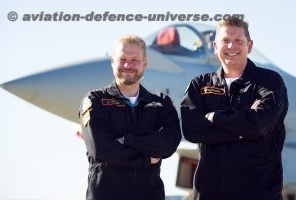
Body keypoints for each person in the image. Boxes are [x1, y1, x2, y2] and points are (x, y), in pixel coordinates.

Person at [180, 16, 289, 200]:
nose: (231, 46)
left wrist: (215, 118)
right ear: (215, 46)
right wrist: (242, 128)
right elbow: (191, 130)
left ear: (250, 45)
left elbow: (259, 124)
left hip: (259, 194)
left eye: (238, 41)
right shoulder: (199, 85)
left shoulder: (269, 81)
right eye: (225, 40)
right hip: (210, 194)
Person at [78, 34, 181, 200]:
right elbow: (101, 150)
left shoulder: (161, 103)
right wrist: (146, 160)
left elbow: (168, 145)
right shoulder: (95, 101)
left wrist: (127, 140)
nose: (128, 65)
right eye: (122, 59)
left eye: (135, 60)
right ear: (112, 62)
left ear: (144, 64)